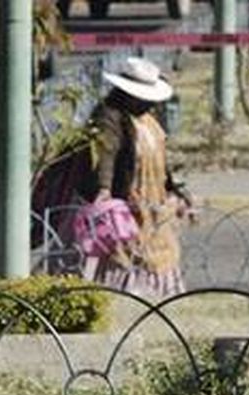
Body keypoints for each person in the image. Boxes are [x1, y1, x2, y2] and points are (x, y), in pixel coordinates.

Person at [74, 56, 193, 299]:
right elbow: (105, 152)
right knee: (123, 251)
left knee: (157, 250)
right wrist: (104, 189)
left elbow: (159, 158)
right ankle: (122, 293)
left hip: (153, 201)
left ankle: (155, 294)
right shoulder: (109, 117)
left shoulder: (148, 120)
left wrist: (173, 189)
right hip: (125, 200)